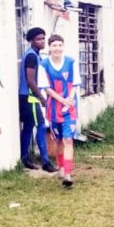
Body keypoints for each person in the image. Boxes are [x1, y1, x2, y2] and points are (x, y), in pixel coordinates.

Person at [38, 34, 79, 188]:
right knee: (58, 140)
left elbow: (75, 84)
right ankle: (61, 166)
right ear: (50, 48)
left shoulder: (71, 62)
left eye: (60, 45)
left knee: (68, 139)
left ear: (63, 46)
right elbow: (47, 89)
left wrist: (69, 100)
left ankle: (68, 174)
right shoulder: (43, 65)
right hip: (54, 109)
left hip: (69, 108)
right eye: (54, 45)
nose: (57, 48)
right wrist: (62, 100)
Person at [18, 28, 57, 173]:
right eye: (39, 39)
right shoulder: (32, 56)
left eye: (43, 38)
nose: (42, 41)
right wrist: (41, 97)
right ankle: (45, 161)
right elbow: (30, 80)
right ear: (32, 40)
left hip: (27, 97)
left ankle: (25, 158)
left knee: (28, 127)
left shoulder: (35, 55)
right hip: (29, 98)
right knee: (40, 125)